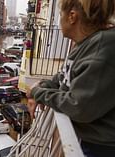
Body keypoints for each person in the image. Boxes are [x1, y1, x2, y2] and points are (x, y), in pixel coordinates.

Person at [26, 0, 115, 156]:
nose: (60, 19)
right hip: (87, 140)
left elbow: (78, 107)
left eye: (60, 14)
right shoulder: (84, 45)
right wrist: (41, 89)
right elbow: (62, 79)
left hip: (100, 148)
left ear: (72, 16)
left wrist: (38, 92)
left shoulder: (102, 47)